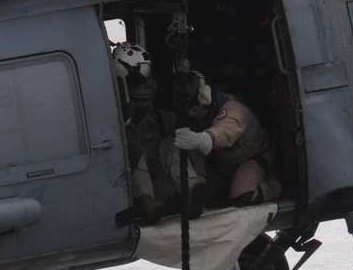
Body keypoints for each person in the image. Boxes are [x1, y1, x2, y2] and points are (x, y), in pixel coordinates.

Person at [171, 70, 282, 209]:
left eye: (194, 110)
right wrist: (199, 181)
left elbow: (224, 131)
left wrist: (202, 139)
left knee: (244, 195)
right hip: (224, 166)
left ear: (205, 98)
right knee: (192, 199)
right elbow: (195, 153)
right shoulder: (201, 120)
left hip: (253, 158)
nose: (193, 115)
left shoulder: (234, 110)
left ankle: (275, 186)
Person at [112, 41, 177, 224]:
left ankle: (191, 191)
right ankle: (147, 202)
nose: (141, 105)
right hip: (134, 195)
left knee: (174, 144)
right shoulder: (117, 125)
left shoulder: (163, 120)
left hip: (163, 187)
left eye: (145, 100)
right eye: (135, 100)